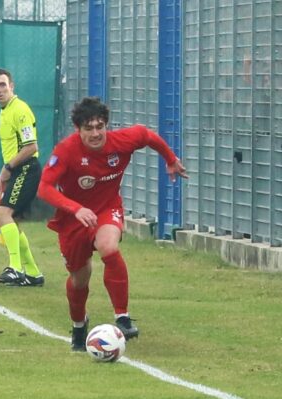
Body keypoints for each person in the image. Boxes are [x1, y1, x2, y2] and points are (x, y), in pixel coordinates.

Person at [37, 97, 188, 351]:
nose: (95, 133)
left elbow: (147, 135)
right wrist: (76, 209)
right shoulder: (66, 150)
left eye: (100, 126)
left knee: (109, 247)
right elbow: (44, 188)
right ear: (78, 129)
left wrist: (170, 159)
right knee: (79, 279)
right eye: (89, 128)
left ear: (106, 125)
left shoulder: (122, 141)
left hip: (107, 208)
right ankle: (78, 326)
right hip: (73, 219)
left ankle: (123, 317)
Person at [0, 68, 44, 287]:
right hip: (17, 171)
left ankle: (15, 268)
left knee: (3, 215)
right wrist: (6, 173)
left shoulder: (20, 110)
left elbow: (31, 147)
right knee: (11, 221)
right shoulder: (5, 110)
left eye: (2, 85)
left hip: (26, 169)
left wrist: (8, 168)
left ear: (12, 86)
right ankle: (33, 273)